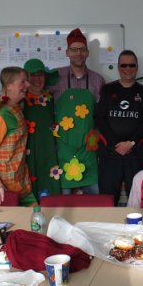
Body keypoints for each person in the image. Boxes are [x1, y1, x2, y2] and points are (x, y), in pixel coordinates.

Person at [48, 28, 105, 195]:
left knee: (94, 199)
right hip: (62, 149)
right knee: (63, 201)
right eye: (74, 49)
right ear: (67, 52)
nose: (78, 53)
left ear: (87, 53)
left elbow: (102, 114)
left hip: (89, 149)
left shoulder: (97, 80)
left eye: (82, 49)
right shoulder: (54, 78)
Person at [95, 50, 143, 206]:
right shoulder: (107, 90)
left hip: (135, 155)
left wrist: (131, 143)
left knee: (138, 200)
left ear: (137, 67)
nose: (128, 69)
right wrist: (116, 144)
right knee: (107, 201)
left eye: (131, 65)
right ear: (118, 67)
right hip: (110, 154)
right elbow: (99, 118)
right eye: (124, 65)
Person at [0, 67, 37, 206]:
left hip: (18, 181)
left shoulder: (15, 106)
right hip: (3, 188)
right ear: (8, 85)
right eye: (23, 81)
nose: (28, 84)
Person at [23, 58, 61, 200]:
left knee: (51, 192)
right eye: (32, 75)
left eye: (40, 75)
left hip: (49, 153)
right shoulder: (20, 100)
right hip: (27, 155)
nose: (37, 79)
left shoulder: (50, 99)